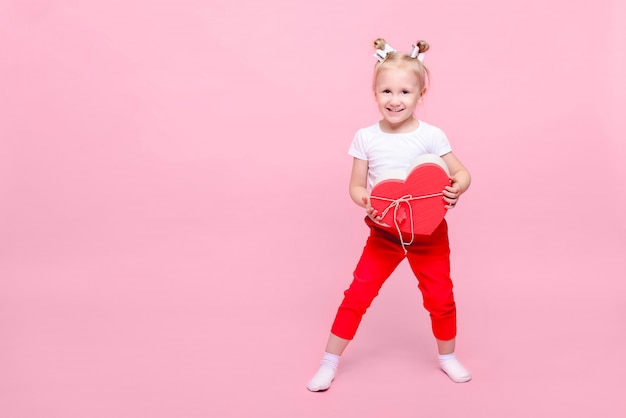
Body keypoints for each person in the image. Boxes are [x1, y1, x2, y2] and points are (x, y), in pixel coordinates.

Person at [307, 38, 472, 392]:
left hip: (429, 233)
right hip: (384, 232)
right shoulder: (365, 137)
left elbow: (462, 173)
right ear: (374, 93)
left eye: (404, 92)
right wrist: (363, 198)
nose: (394, 100)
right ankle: (329, 361)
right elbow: (354, 186)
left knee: (440, 295)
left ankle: (447, 357)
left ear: (420, 95)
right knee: (358, 293)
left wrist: (457, 188)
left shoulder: (431, 135)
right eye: (386, 91)